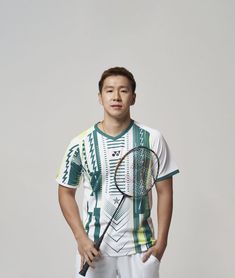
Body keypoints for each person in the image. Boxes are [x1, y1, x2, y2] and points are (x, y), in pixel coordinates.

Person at [55, 66, 180, 278]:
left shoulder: (153, 138)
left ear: (133, 97)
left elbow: (165, 191)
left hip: (141, 248)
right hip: (93, 250)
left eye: (123, 90)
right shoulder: (79, 143)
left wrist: (162, 244)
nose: (116, 96)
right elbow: (65, 191)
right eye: (109, 90)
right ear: (100, 97)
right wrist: (80, 238)